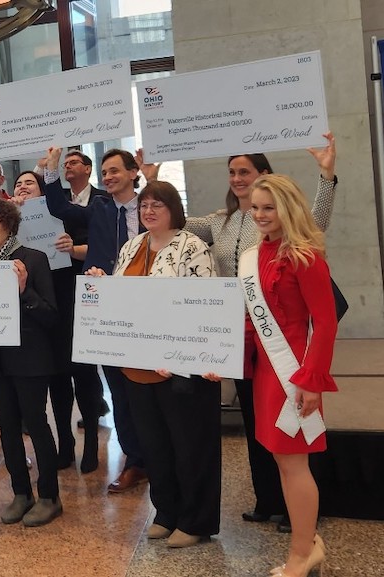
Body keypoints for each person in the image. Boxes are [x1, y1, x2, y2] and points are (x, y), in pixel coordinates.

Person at [140, 133, 339, 533]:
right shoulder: (219, 221)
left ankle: (295, 510)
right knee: (256, 420)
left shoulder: (286, 232)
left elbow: (314, 219)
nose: (236, 178)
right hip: (239, 335)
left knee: (292, 423)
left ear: (264, 175)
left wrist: (327, 175)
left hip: (280, 333)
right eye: (231, 172)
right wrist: (150, 181)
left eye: (244, 171)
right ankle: (267, 499)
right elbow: (167, 218)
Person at [88, 181, 221, 548]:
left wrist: (186, 355)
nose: (148, 211)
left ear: (173, 209)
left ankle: (195, 522)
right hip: (137, 367)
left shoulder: (191, 245)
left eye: (157, 205)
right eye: (144, 205)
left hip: (180, 369)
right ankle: (166, 512)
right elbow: (123, 301)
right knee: (156, 446)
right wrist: (100, 286)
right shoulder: (132, 246)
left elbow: (203, 304)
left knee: (189, 447)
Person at [240, 174, 337, 577]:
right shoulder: (255, 255)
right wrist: (223, 358)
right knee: (283, 461)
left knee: (294, 465)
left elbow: (326, 322)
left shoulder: (305, 255)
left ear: (288, 208)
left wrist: (312, 381)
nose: (261, 215)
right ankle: (308, 542)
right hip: (266, 373)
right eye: (256, 207)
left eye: (269, 207)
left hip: (293, 373)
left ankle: (302, 554)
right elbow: (251, 322)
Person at [43, 146, 148, 494]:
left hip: (146, 306)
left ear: (134, 173)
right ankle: (135, 461)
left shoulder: (150, 207)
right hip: (107, 308)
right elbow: (58, 207)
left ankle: (156, 456)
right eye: (106, 172)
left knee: (146, 388)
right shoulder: (100, 208)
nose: (109, 177)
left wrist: (155, 178)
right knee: (117, 387)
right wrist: (52, 169)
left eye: (116, 170)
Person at [0, 199, 62, 527]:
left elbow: (51, 316)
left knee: (35, 424)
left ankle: (50, 497)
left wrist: (24, 290)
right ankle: (21, 493)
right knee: (6, 427)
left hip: (30, 359)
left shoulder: (33, 259)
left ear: (8, 223)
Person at [10, 169, 108, 472]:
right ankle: (64, 443)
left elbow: (97, 250)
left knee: (84, 377)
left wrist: (73, 248)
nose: (23, 187)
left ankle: (90, 443)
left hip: (70, 304)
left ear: (43, 190)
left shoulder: (63, 215)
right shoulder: (10, 223)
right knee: (57, 382)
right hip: (39, 310)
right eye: (18, 184)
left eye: (30, 183)